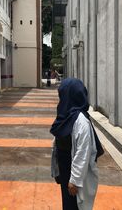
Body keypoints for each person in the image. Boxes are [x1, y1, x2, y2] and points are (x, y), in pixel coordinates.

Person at [50, 78, 99, 210]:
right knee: (67, 204)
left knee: (75, 205)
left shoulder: (81, 120)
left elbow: (83, 152)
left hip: (75, 173)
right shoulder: (65, 116)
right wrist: (57, 170)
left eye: (62, 95)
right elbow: (57, 144)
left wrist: (75, 180)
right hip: (65, 168)